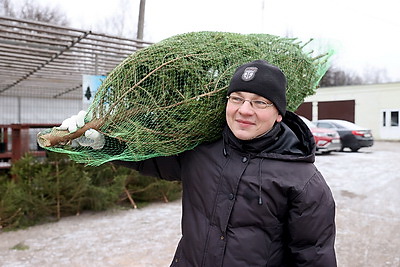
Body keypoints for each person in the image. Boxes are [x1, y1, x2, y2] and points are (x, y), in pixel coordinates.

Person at [59, 60, 337, 266]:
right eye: (237, 98)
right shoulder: (202, 149)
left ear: (279, 113)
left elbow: (314, 256)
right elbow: (149, 158)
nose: (244, 110)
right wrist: (101, 142)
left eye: (259, 102)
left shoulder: (303, 181)